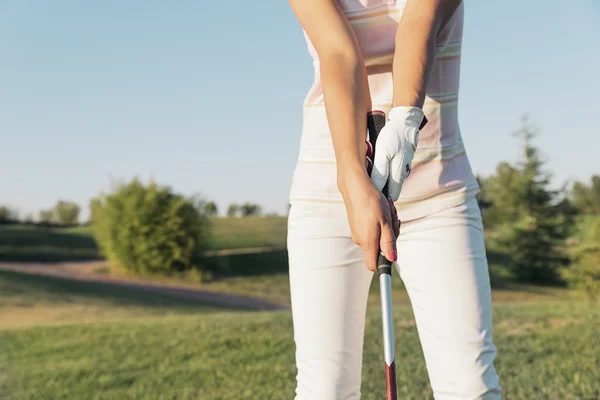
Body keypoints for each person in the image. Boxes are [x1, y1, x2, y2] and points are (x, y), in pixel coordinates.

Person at [286, 0, 502, 399]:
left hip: (437, 191)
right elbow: (338, 51)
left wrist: (404, 122)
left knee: (470, 387)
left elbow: (420, 20)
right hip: (327, 195)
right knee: (324, 389)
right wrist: (352, 177)